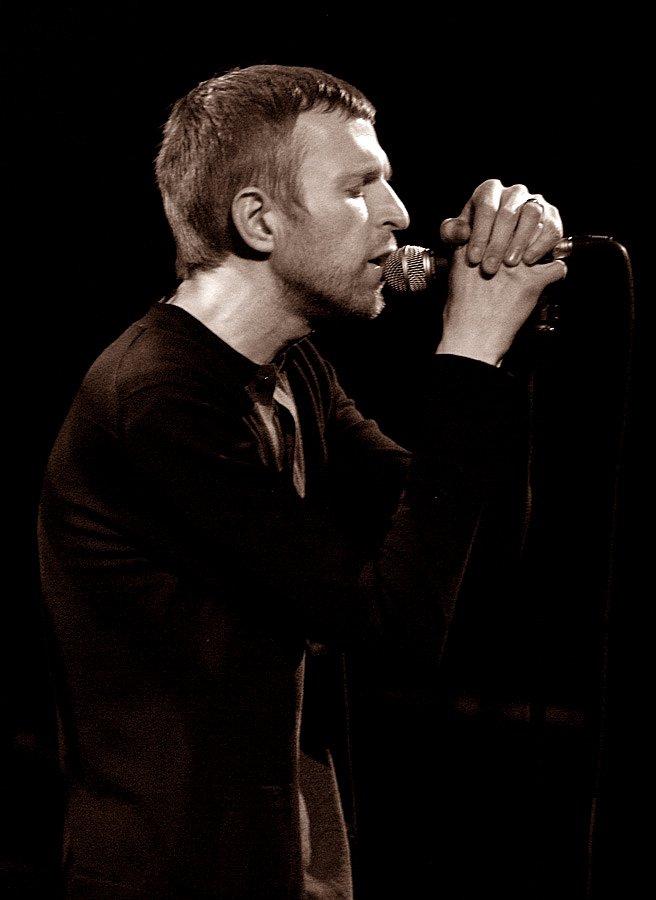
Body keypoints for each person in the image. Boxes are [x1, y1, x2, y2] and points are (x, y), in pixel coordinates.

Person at [36, 63, 567, 900]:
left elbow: (476, 535)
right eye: (360, 187)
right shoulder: (158, 401)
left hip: (285, 862)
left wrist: (508, 341)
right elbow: (395, 624)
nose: (398, 213)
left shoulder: (294, 371)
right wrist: (467, 352)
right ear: (259, 220)